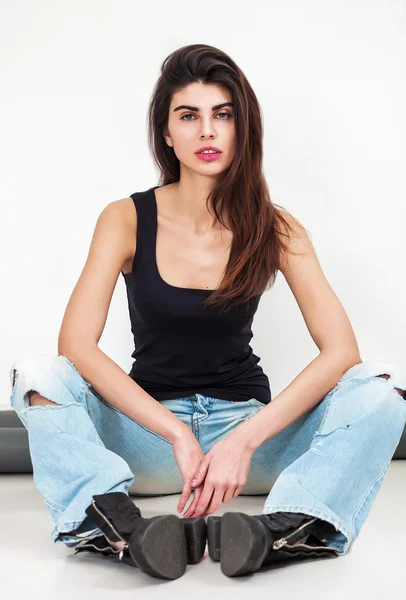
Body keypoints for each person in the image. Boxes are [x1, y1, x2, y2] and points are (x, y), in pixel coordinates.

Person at [9, 43, 406, 580]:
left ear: (242, 128)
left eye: (223, 115)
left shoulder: (277, 227)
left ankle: (282, 532)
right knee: (39, 376)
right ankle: (117, 530)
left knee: (380, 387)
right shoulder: (124, 218)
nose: (208, 131)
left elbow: (341, 352)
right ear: (167, 133)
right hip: (150, 440)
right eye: (189, 116)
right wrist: (176, 433)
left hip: (248, 440)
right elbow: (76, 347)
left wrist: (243, 440)